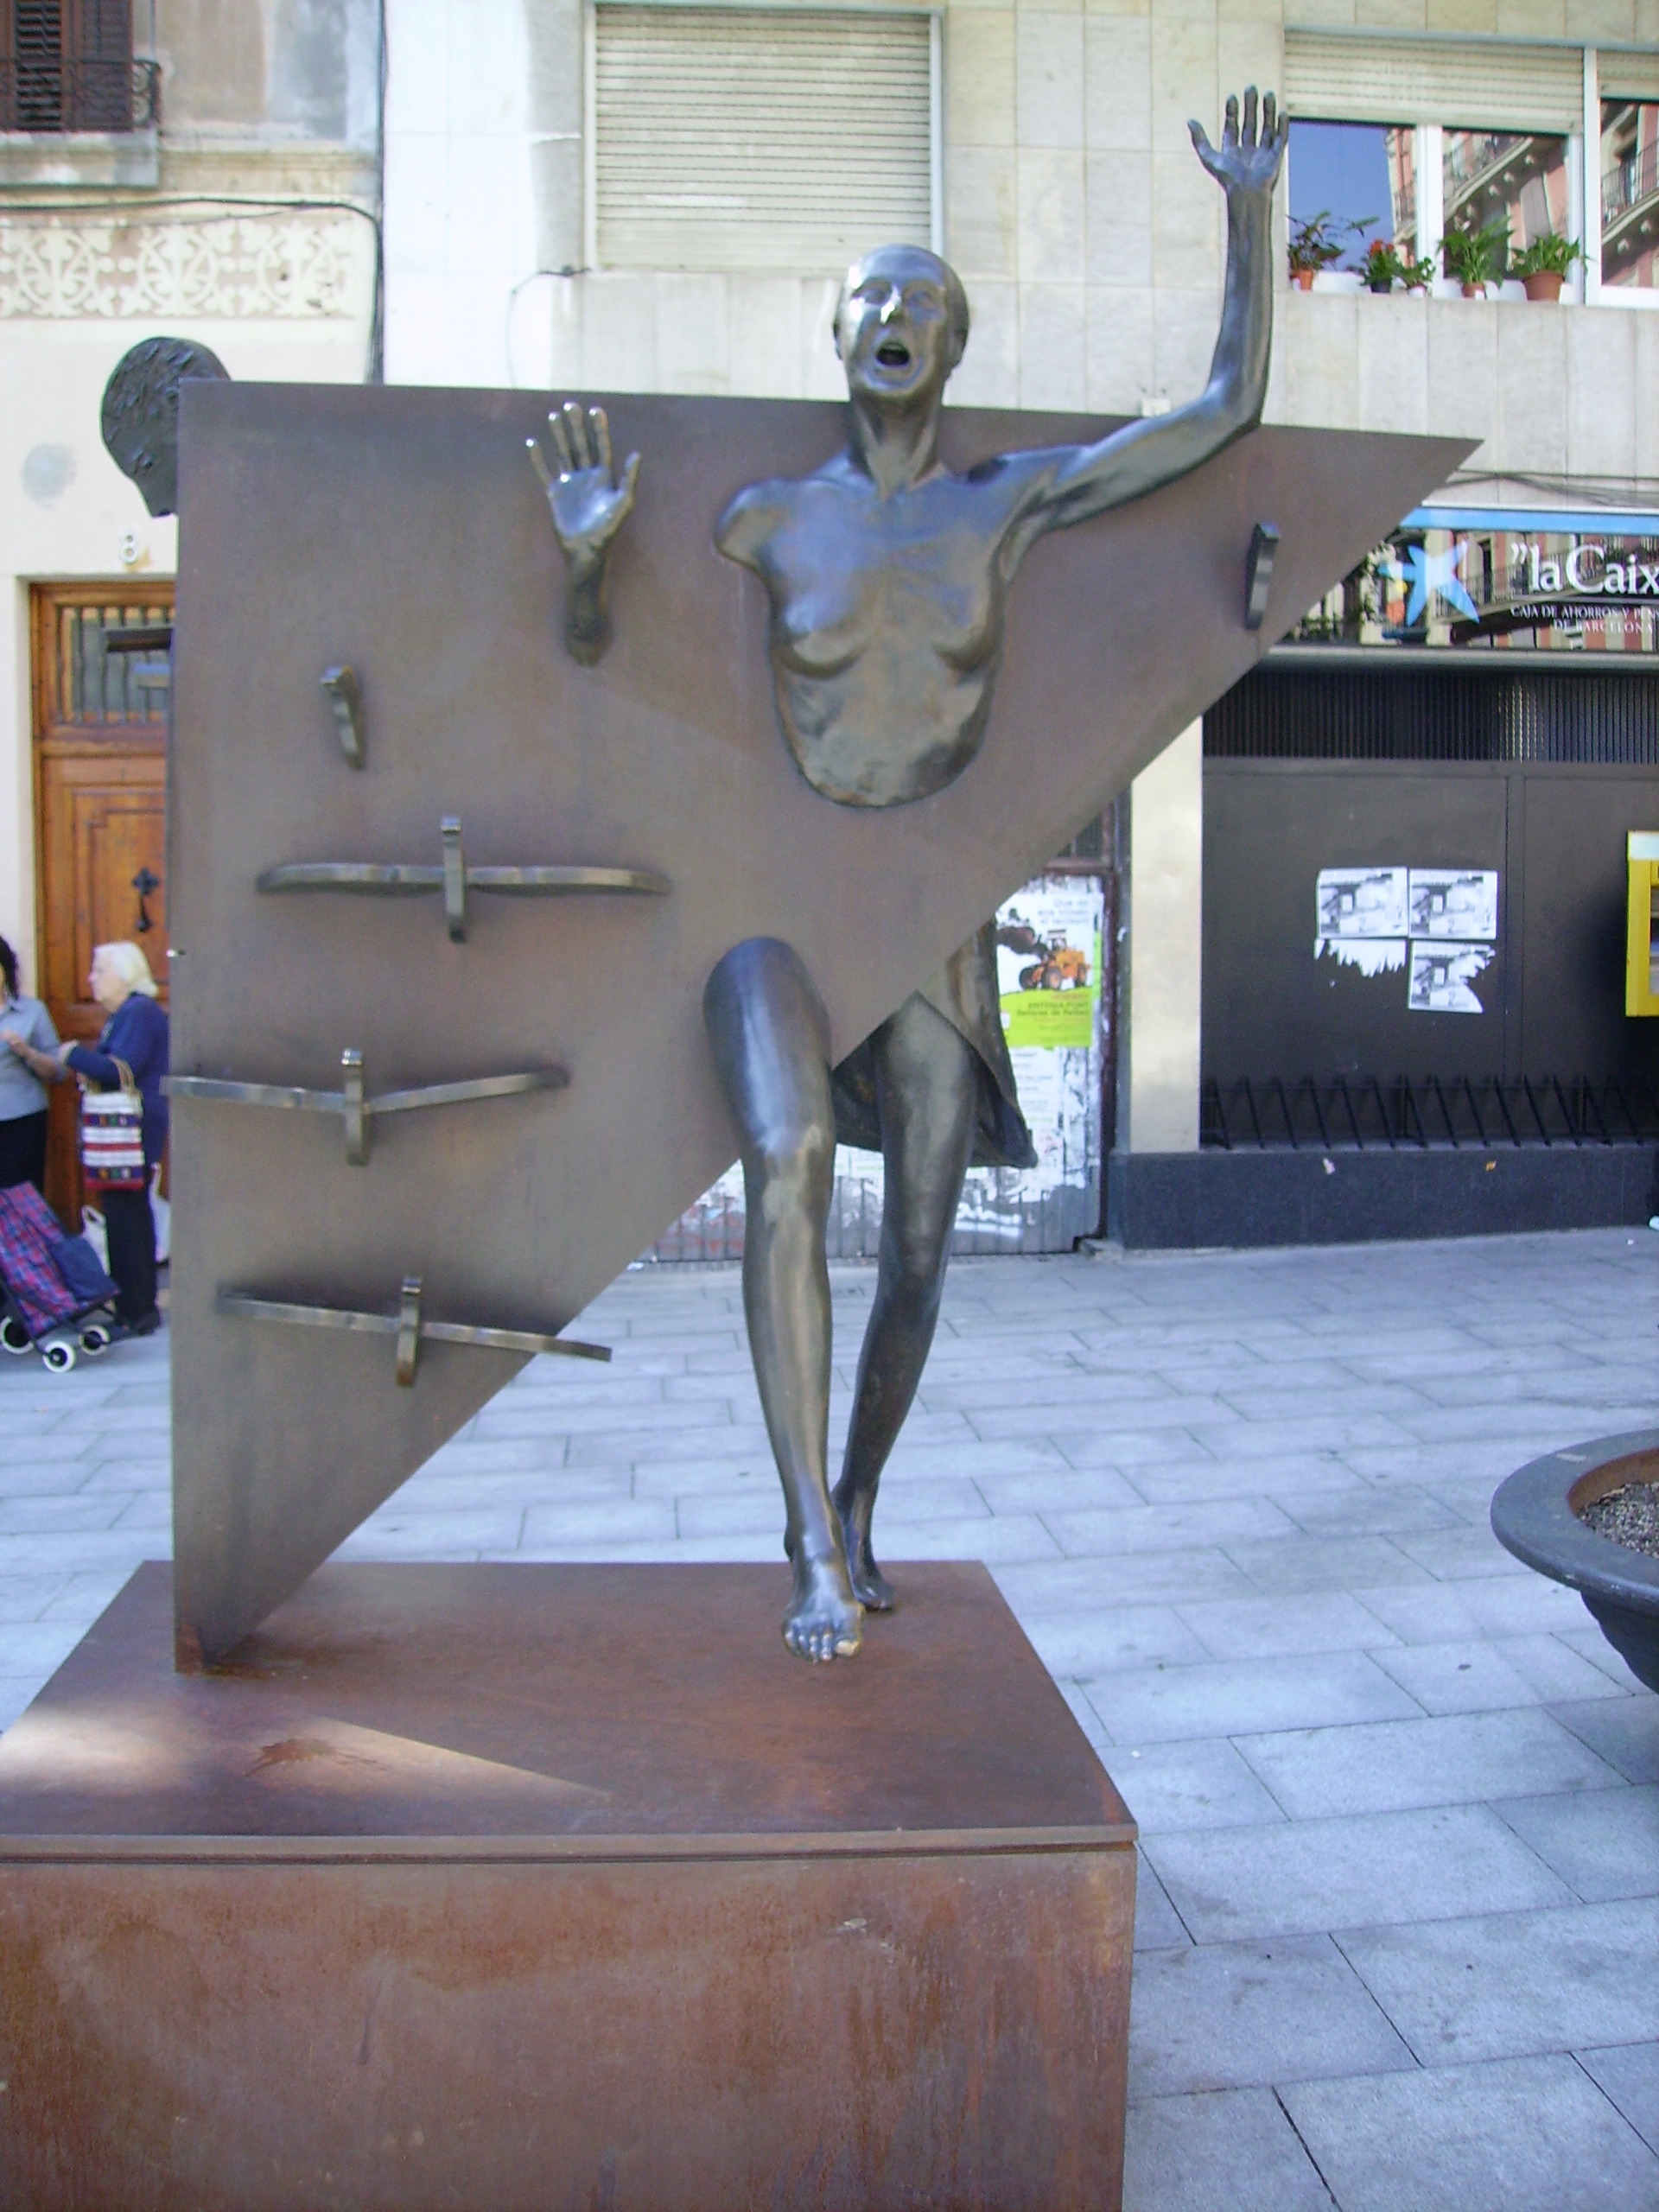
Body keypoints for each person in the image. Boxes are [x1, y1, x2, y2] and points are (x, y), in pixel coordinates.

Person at [542, 92, 1287, 1662]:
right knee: (792, 1162)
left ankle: (859, 1496)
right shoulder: (756, 516)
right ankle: (808, 1533)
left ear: (953, 350)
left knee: (931, 1251)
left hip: (930, 915)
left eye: (923, 305)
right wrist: (591, 563)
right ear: (837, 338)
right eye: (871, 300)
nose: (894, 319)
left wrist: (1248, 219)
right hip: (773, 900)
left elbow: (1218, 415)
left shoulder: (998, 506)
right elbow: (603, 676)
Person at [61, 943, 168, 1336]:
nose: (91, 978)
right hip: (127, 1133)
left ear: (124, 976)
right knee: (128, 1215)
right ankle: (137, 1305)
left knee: (127, 1219)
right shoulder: (128, 1013)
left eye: (99, 970)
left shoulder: (137, 1011)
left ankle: (136, 1308)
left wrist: (72, 1054)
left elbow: (119, 1069)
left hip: (130, 1133)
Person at [0, 935, 63, 1192]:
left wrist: (27, 1053)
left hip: (22, 1121)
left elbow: (59, 1071)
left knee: (21, 1198)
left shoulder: (32, 1011)